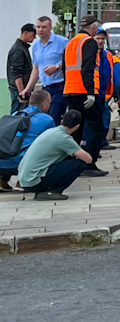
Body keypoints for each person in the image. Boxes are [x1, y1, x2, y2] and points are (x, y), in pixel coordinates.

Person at [62, 15, 107, 177]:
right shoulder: (89, 43)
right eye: (97, 27)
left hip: (70, 90)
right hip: (85, 92)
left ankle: (71, 162)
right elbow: (87, 69)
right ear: (93, 27)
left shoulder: (71, 43)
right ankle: (89, 163)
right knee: (97, 127)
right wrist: (90, 93)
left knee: (75, 128)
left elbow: (65, 68)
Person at [17, 108, 92, 200]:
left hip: (25, 180)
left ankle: (45, 190)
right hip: (34, 182)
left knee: (69, 159)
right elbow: (88, 159)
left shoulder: (51, 131)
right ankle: (52, 191)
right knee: (80, 164)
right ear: (77, 126)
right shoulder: (64, 138)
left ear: (62, 121)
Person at [0, 88, 54, 190]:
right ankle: (22, 182)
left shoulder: (15, 114)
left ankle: (2, 180)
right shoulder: (47, 119)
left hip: (2, 161)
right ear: (45, 103)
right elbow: (54, 142)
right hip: (22, 164)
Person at [30, 16, 69, 123]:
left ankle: (54, 138)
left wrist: (57, 67)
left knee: (53, 117)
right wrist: (28, 89)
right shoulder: (35, 45)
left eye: (44, 27)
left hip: (60, 85)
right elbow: (36, 69)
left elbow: (70, 62)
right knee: (43, 117)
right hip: (45, 87)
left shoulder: (62, 42)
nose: (41, 30)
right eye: (38, 27)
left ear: (50, 27)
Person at [7, 23, 36, 114]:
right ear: (25, 33)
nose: (34, 38)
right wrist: (22, 93)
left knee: (19, 115)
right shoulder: (18, 49)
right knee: (17, 115)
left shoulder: (22, 47)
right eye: (33, 35)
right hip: (19, 90)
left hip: (20, 89)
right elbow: (17, 73)